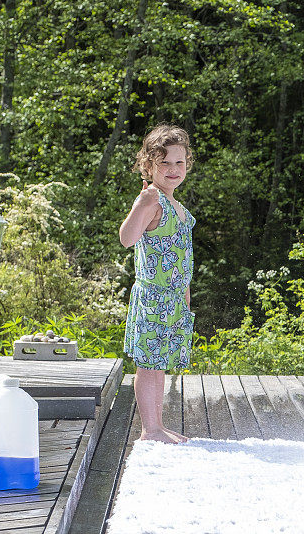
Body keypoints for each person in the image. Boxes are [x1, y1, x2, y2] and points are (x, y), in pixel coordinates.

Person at [119, 124, 196, 444]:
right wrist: (142, 202)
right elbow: (127, 238)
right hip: (154, 297)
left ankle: (157, 426)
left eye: (179, 162)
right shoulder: (152, 198)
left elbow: (183, 258)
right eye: (164, 163)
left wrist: (187, 298)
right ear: (148, 166)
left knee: (158, 364)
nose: (173, 169)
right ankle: (149, 430)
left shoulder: (177, 206)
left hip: (174, 300)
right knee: (149, 365)